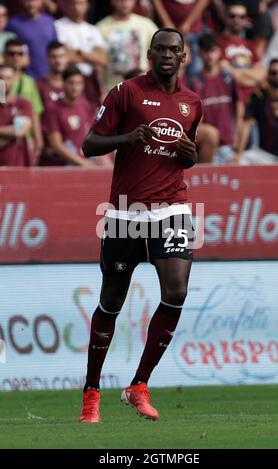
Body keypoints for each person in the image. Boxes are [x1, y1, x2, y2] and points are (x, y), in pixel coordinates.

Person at [80, 28, 202, 423]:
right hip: (125, 212)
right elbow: (89, 144)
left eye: (174, 50)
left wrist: (191, 155)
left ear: (183, 56)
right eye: (160, 49)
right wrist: (127, 138)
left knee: (177, 290)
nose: (167, 55)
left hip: (172, 209)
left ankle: (139, 385)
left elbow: (185, 156)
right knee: (111, 301)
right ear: (150, 54)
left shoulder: (192, 103)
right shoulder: (125, 93)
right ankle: (92, 391)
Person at [234, 58, 278, 163]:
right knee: (242, 160)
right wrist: (238, 154)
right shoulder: (259, 96)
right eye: (274, 73)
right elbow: (247, 124)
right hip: (264, 155)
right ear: (268, 74)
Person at [196, 32, 244, 164]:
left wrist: (237, 143)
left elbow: (239, 112)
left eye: (213, 50)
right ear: (200, 53)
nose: (210, 55)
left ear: (219, 52)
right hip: (207, 148)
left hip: (229, 148)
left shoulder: (228, 78)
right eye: (206, 51)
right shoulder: (194, 82)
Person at [96, 0, 158, 95]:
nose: (125, 3)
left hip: (142, 89)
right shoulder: (101, 27)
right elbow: (97, 66)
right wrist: (101, 92)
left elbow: (160, 51)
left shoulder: (146, 24)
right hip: (112, 90)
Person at [54, 0, 107, 105]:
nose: (76, 7)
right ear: (67, 5)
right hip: (67, 79)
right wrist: (91, 56)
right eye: (73, 3)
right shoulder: (57, 26)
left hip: (89, 81)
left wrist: (77, 52)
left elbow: (102, 59)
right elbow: (65, 56)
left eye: (80, 3)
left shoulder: (93, 30)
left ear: (87, 5)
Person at [41, 65, 95, 166]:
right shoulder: (52, 108)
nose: (74, 87)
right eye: (71, 83)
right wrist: (83, 163)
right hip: (58, 166)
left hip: (81, 164)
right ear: (63, 83)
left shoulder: (85, 105)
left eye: (78, 83)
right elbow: (56, 145)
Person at [218, 0, 266, 104]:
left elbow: (262, 74)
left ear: (245, 20)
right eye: (233, 16)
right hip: (231, 102)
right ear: (225, 17)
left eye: (241, 17)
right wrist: (253, 78)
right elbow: (228, 75)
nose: (237, 20)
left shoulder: (250, 45)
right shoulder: (218, 44)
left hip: (253, 104)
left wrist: (239, 74)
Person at [4, 38, 44, 163]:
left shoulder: (28, 81)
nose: (16, 57)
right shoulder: (0, 81)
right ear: (4, 56)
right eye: (11, 53)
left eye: (19, 54)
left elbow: (35, 114)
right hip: (4, 135)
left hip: (24, 138)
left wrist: (38, 140)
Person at [6, 0, 57, 80]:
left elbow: (55, 48)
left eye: (34, 0)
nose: (31, 4)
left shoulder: (49, 21)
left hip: (48, 78)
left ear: (41, 1)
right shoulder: (13, 24)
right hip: (25, 78)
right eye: (27, 1)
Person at [0, 63, 33, 166]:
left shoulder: (23, 104)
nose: (4, 82)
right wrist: (10, 132)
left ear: (15, 79)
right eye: (1, 78)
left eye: (8, 78)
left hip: (18, 166)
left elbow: (19, 130)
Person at [37, 41, 68, 107]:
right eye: (54, 57)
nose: (58, 61)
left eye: (61, 56)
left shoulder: (76, 84)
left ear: (67, 58)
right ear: (47, 58)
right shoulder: (39, 86)